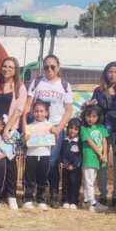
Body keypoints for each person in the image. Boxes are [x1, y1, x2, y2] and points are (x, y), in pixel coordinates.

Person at [24, 55, 75, 205]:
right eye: (46, 67)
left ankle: (52, 193)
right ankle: (33, 194)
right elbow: (28, 105)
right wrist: (26, 127)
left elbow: (68, 109)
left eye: (53, 66)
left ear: (58, 67)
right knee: (36, 162)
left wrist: (59, 128)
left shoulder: (65, 85)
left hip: (54, 130)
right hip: (37, 129)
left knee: (52, 163)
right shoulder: (37, 82)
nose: (49, 69)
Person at [0, 56, 27, 208]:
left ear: (15, 70)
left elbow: (19, 110)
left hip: (10, 130)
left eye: (11, 67)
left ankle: (11, 195)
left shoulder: (20, 87)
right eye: (5, 66)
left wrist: (7, 128)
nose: (7, 69)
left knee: (10, 161)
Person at [91, 61, 116, 207]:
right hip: (102, 128)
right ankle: (102, 194)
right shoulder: (98, 90)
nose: (112, 75)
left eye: (115, 72)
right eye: (110, 71)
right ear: (105, 73)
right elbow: (94, 109)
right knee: (103, 161)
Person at [23, 101, 56, 209]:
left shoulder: (50, 125)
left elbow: (55, 134)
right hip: (31, 155)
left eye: (41, 111)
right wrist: (25, 138)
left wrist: (55, 132)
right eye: (36, 111)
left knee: (43, 178)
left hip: (45, 155)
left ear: (46, 113)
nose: (39, 113)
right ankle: (27, 199)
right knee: (29, 178)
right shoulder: (29, 126)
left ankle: (41, 200)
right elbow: (24, 140)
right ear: (33, 112)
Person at [80, 105, 108, 213]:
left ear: (98, 117)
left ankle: (87, 201)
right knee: (89, 181)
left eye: (94, 116)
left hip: (98, 158)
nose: (90, 119)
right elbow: (90, 143)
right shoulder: (83, 129)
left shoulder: (101, 128)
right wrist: (100, 154)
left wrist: (104, 154)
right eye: (88, 116)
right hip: (89, 157)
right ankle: (93, 203)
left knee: (91, 180)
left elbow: (104, 141)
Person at [59, 118, 83, 210]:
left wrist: (74, 165)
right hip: (65, 167)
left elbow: (80, 156)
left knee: (74, 184)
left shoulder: (79, 142)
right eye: (71, 128)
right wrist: (63, 163)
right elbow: (62, 153)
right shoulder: (65, 141)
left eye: (76, 129)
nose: (73, 131)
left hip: (75, 169)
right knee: (65, 183)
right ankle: (65, 200)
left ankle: (73, 201)